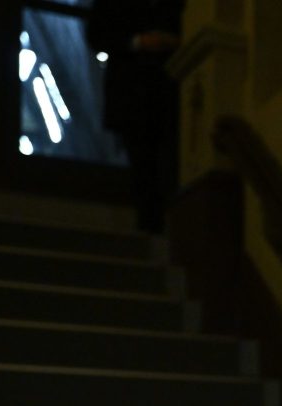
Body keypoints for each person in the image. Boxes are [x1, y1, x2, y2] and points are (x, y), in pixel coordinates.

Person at [86, 0, 184, 233]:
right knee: (148, 166)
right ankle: (155, 227)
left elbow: (98, 34)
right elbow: (97, 35)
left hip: (154, 90)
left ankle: (155, 227)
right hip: (143, 91)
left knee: (154, 165)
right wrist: (141, 42)